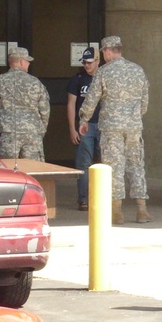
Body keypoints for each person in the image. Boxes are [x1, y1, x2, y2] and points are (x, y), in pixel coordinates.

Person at [79, 36, 151, 224]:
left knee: (114, 167)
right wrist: (134, 117)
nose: (103, 55)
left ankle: (117, 211)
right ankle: (142, 209)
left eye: (103, 52)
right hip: (134, 126)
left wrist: (84, 118)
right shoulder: (138, 70)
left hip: (111, 127)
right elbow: (145, 102)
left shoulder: (103, 72)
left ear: (108, 51)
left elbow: (92, 98)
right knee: (136, 164)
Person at [0, 47, 51, 161]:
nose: (29, 64)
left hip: (9, 133)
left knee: (9, 171)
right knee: (34, 170)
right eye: (27, 61)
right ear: (21, 61)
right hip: (32, 133)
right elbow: (45, 110)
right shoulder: (35, 82)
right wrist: (41, 129)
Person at [67, 47, 101, 211]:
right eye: (84, 62)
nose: (86, 65)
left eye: (89, 62)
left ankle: (104, 198)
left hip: (104, 125)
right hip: (84, 126)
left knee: (105, 164)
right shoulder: (78, 79)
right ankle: (84, 199)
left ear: (97, 61)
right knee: (83, 164)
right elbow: (71, 104)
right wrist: (72, 128)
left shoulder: (104, 77)